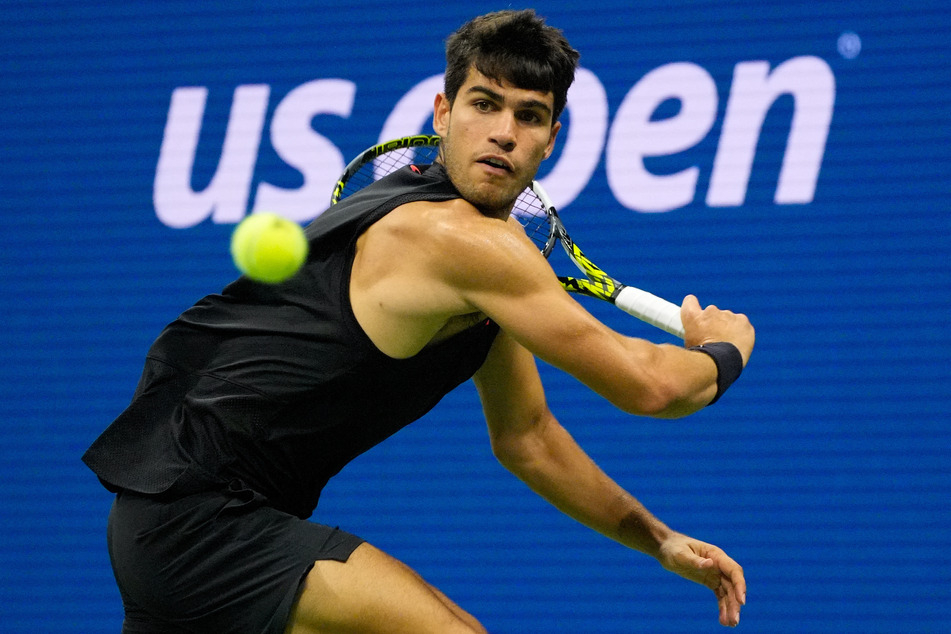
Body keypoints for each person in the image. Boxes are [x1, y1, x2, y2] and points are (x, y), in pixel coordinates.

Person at [83, 9, 754, 633]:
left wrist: (657, 538)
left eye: (528, 116)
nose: (503, 132)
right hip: (200, 519)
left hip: (180, 522)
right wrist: (724, 349)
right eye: (484, 105)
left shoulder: (469, 259)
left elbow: (527, 437)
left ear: (551, 138)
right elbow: (649, 385)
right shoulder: (458, 241)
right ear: (443, 110)